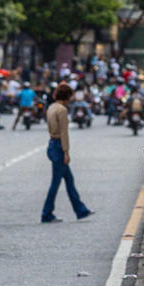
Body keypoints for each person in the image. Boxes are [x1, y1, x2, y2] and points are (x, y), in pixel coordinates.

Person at [41, 83, 92, 223]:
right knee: (55, 182)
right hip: (58, 147)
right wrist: (66, 152)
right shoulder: (62, 110)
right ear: (67, 96)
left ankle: (81, 210)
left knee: (69, 180)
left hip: (51, 144)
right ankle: (46, 213)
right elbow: (64, 132)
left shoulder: (51, 107)